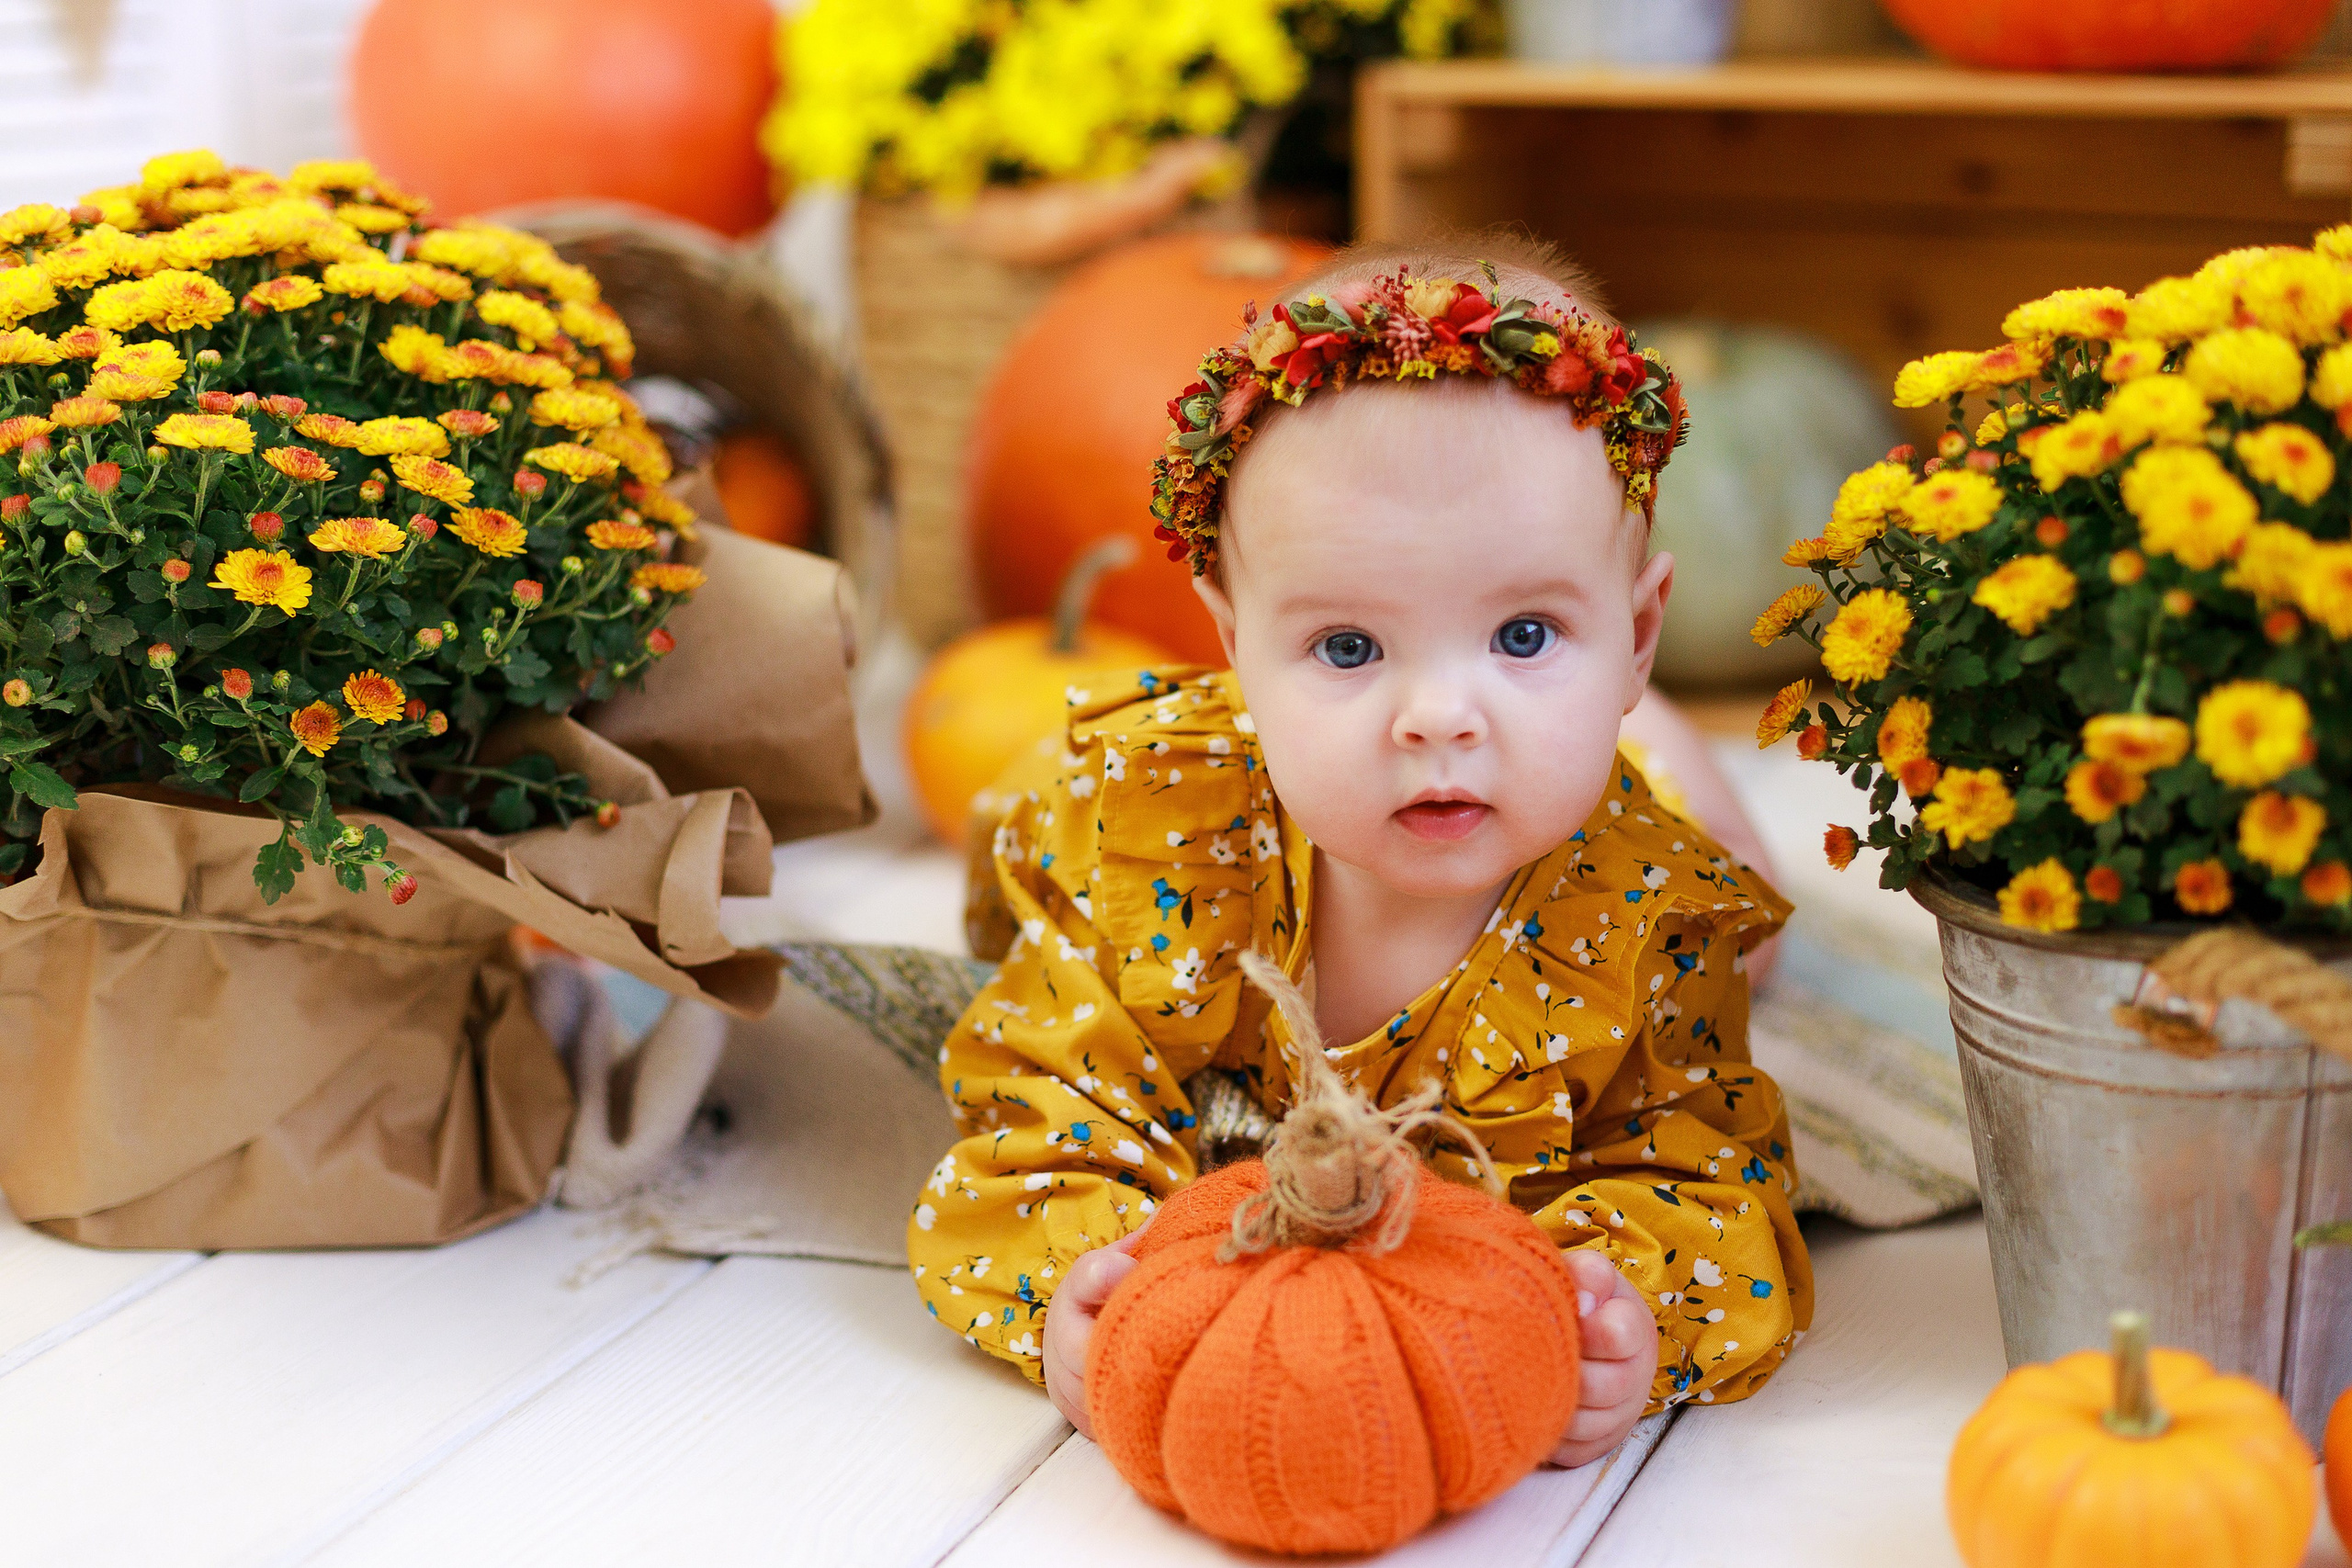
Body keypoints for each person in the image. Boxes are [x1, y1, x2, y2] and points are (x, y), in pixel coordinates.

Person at [910, 236, 1812, 1470]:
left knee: (1748, 927)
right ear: (1232, 644)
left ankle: (1654, 744)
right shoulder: (1142, 840)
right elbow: (1042, 1113)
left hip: (1610, 800)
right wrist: (1076, 1279)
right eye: (1347, 648)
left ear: (1642, 632)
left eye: (1526, 632)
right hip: (1154, 825)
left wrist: (1627, 1311)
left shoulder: (1644, 918)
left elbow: (1711, 1179)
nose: (1438, 715)